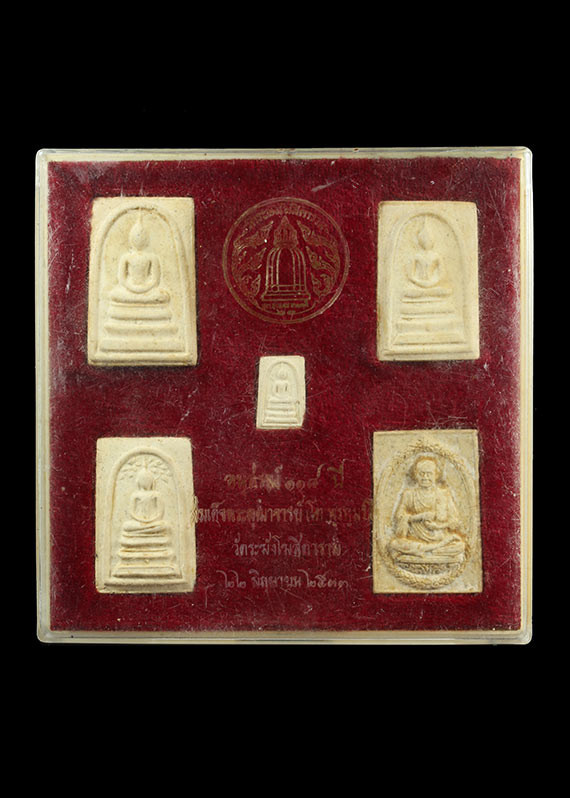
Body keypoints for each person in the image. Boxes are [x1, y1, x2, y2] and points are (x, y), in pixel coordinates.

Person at [389, 456, 465, 562]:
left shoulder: (443, 494)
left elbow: (455, 521)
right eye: (421, 474)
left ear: (436, 475)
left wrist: (438, 526)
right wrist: (420, 517)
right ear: (416, 475)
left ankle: (425, 550)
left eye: (429, 474)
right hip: (416, 539)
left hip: (440, 538)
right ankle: (432, 550)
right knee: (394, 544)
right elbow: (399, 516)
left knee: (460, 546)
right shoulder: (409, 494)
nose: (425, 477)